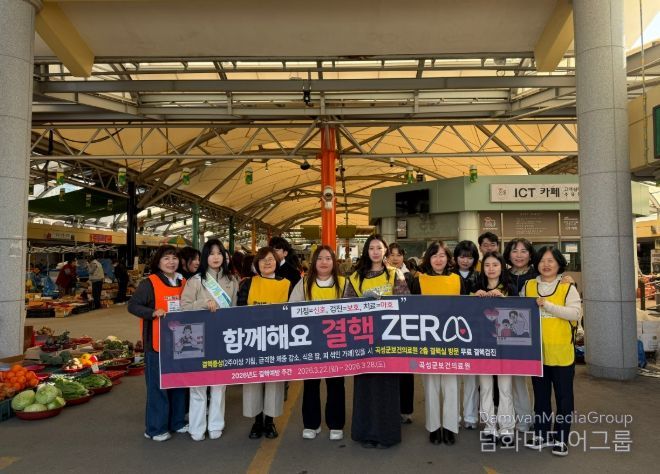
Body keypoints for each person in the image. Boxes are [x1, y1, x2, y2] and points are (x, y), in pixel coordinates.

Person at [344, 234, 410, 449]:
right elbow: (346, 307)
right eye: (371, 248)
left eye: (379, 248)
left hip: (388, 340)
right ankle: (366, 433)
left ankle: (386, 434)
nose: (375, 251)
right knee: (365, 386)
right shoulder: (356, 277)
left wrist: (385, 302)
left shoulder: (395, 274)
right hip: (364, 340)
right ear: (366, 251)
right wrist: (363, 303)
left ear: (385, 251)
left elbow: (405, 303)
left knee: (387, 387)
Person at [522, 246, 582, 457]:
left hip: (561, 353)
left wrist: (547, 305)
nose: (546, 265)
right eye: (542, 261)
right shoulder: (529, 286)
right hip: (537, 354)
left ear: (558, 264)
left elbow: (575, 313)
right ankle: (542, 434)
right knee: (541, 398)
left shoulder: (567, 287)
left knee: (564, 398)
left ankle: (561, 438)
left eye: (550, 261)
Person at [127, 245, 188, 442]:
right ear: (158, 262)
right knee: (158, 387)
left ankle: (177, 422)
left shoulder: (183, 282)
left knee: (178, 384)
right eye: (166, 258)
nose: (171, 262)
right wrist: (152, 312)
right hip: (156, 343)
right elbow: (133, 305)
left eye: (174, 258)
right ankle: (155, 428)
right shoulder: (149, 283)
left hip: (180, 343)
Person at [181, 239, 239, 442]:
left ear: (224, 256)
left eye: (219, 253)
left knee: (219, 384)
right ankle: (197, 427)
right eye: (211, 253)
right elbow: (184, 307)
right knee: (197, 384)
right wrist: (203, 303)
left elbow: (235, 310)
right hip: (197, 338)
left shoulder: (232, 280)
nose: (216, 257)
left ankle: (216, 425)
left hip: (222, 337)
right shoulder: (195, 281)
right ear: (205, 257)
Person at [410, 241, 465, 446]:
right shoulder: (419, 281)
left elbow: (466, 309)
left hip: (452, 339)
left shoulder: (457, 280)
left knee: (451, 385)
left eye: (442, 255)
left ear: (448, 258)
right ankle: (434, 427)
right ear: (428, 259)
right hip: (428, 340)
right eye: (434, 255)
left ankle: (450, 427)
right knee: (431, 385)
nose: (439, 259)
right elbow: (412, 311)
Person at [288, 245, 346, 441]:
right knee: (311, 384)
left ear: (334, 262)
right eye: (320, 258)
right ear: (314, 262)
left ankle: (336, 424)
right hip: (310, 343)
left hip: (337, 342)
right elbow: (292, 309)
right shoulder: (304, 283)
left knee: (336, 384)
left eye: (328, 258)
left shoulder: (344, 283)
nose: (324, 262)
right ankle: (311, 424)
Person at [237, 247, 291, 439]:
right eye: (262, 260)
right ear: (256, 264)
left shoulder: (287, 284)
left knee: (274, 382)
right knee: (253, 381)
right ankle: (256, 421)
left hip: (277, 340)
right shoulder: (247, 283)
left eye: (271, 259)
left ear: (277, 262)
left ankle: (270, 422)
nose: (267, 263)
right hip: (252, 339)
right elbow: (239, 310)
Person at [472, 251, 517, 447]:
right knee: (486, 388)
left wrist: (504, 299)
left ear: (502, 267)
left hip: (505, 347)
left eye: (495, 265)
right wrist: (474, 298)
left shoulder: (510, 288)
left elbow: (518, 315)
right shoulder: (476, 287)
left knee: (505, 389)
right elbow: (468, 316)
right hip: (483, 345)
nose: (491, 269)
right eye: (487, 265)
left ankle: (507, 428)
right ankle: (489, 427)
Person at [452, 240, 480, 431]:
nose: (465, 260)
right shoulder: (449, 276)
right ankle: (453, 416)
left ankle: (470, 416)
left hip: (473, 332)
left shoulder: (480, 276)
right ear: (456, 258)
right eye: (462, 256)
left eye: (469, 257)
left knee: (471, 378)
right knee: (453, 379)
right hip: (452, 331)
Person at [387, 242, 414, 425]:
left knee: (406, 370)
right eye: (392, 255)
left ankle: (406, 410)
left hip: (405, 329)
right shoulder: (383, 275)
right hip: (388, 330)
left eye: (398, 255)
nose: (395, 258)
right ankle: (391, 409)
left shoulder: (410, 277)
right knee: (390, 371)